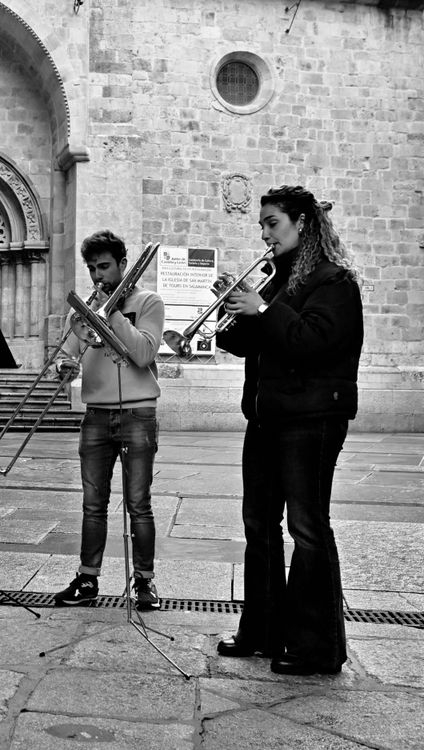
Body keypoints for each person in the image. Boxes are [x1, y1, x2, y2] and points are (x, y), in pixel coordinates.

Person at [215, 185, 363, 676]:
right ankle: (261, 631)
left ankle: (316, 647)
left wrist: (262, 308)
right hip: (267, 418)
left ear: (301, 222)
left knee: (307, 529)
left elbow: (310, 340)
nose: (263, 233)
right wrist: (231, 310)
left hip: (312, 420)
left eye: (271, 223)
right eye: (261, 224)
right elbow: (241, 343)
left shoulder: (334, 281)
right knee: (258, 526)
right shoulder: (278, 282)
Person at [52, 230, 165, 610]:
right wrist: (63, 367)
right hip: (96, 414)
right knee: (92, 503)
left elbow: (144, 354)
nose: (98, 275)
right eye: (92, 268)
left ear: (122, 264)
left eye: (104, 266)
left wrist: (112, 313)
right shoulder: (80, 310)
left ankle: (145, 582)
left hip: (138, 412)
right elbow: (67, 354)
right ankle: (87, 579)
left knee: (139, 503)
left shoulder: (148, 301)